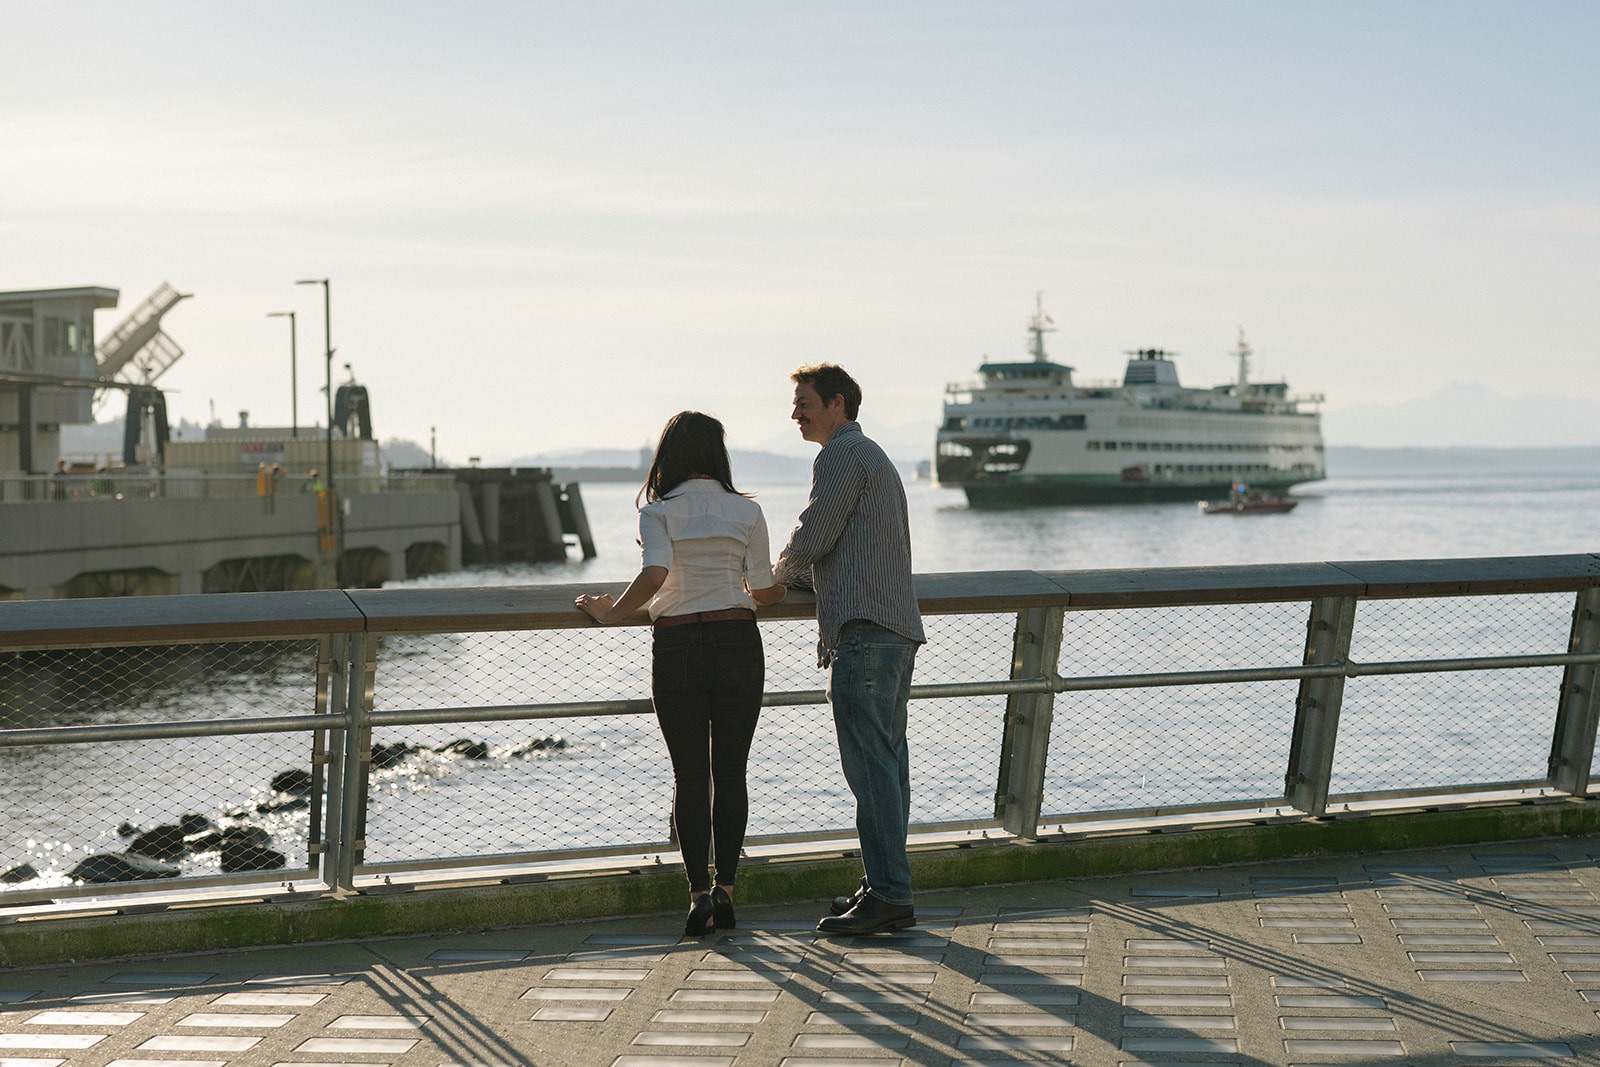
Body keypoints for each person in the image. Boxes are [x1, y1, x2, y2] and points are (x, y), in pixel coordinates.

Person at [575, 411, 785, 936]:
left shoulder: (659, 512)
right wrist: (792, 584)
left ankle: (697, 895)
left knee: (690, 775)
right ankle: (729, 889)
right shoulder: (747, 511)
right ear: (718, 455)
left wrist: (610, 611)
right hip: (739, 640)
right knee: (731, 771)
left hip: (678, 644)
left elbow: (655, 575)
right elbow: (761, 589)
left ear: (668, 457)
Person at [772, 363, 925, 936]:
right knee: (887, 767)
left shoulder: (839, 456)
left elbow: (814, 533)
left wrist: (769, 580)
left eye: (804, 401)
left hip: (863, 635)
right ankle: (885, 884)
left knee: (871, 771)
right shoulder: (874, 458)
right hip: (893, 629)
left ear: (838, 403)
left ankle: (889, 894)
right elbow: (849, 554)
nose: (795, 413)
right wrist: (805, 579)